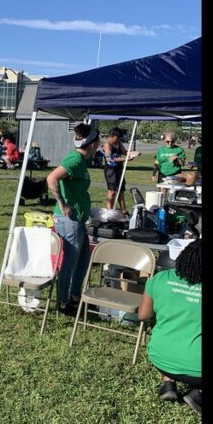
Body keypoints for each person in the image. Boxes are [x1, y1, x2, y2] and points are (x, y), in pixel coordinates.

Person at [138, 239, 202, 414]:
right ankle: (198, 395)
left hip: (160, 358)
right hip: (197, 369)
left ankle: (168, 383)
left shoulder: (160, 278)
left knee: (176, 328)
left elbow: (143, 315)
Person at [47, 123, 101, 314]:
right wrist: (62, 203)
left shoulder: (81, 160)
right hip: (69, 219)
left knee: (83, 259)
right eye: (98, 141)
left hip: (78, 219)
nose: (99, 144)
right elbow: (51, 178)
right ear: (92, 143)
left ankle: (75, 297)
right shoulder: (75, 160)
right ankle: (63, 303)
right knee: (70, 261)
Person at [101, 127, 133, 212]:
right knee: (112, 192)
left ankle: (124, 210)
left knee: (121, 191)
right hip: (111, 170)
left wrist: (133, 153)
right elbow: (109, 159)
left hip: (119, 168)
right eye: (117, 137)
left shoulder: (118, 142)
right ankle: (109, 212)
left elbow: (125, 152)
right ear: (112, 136)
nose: (118, 139)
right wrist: (125, 159)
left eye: (119, 138)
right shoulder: (107, 144)